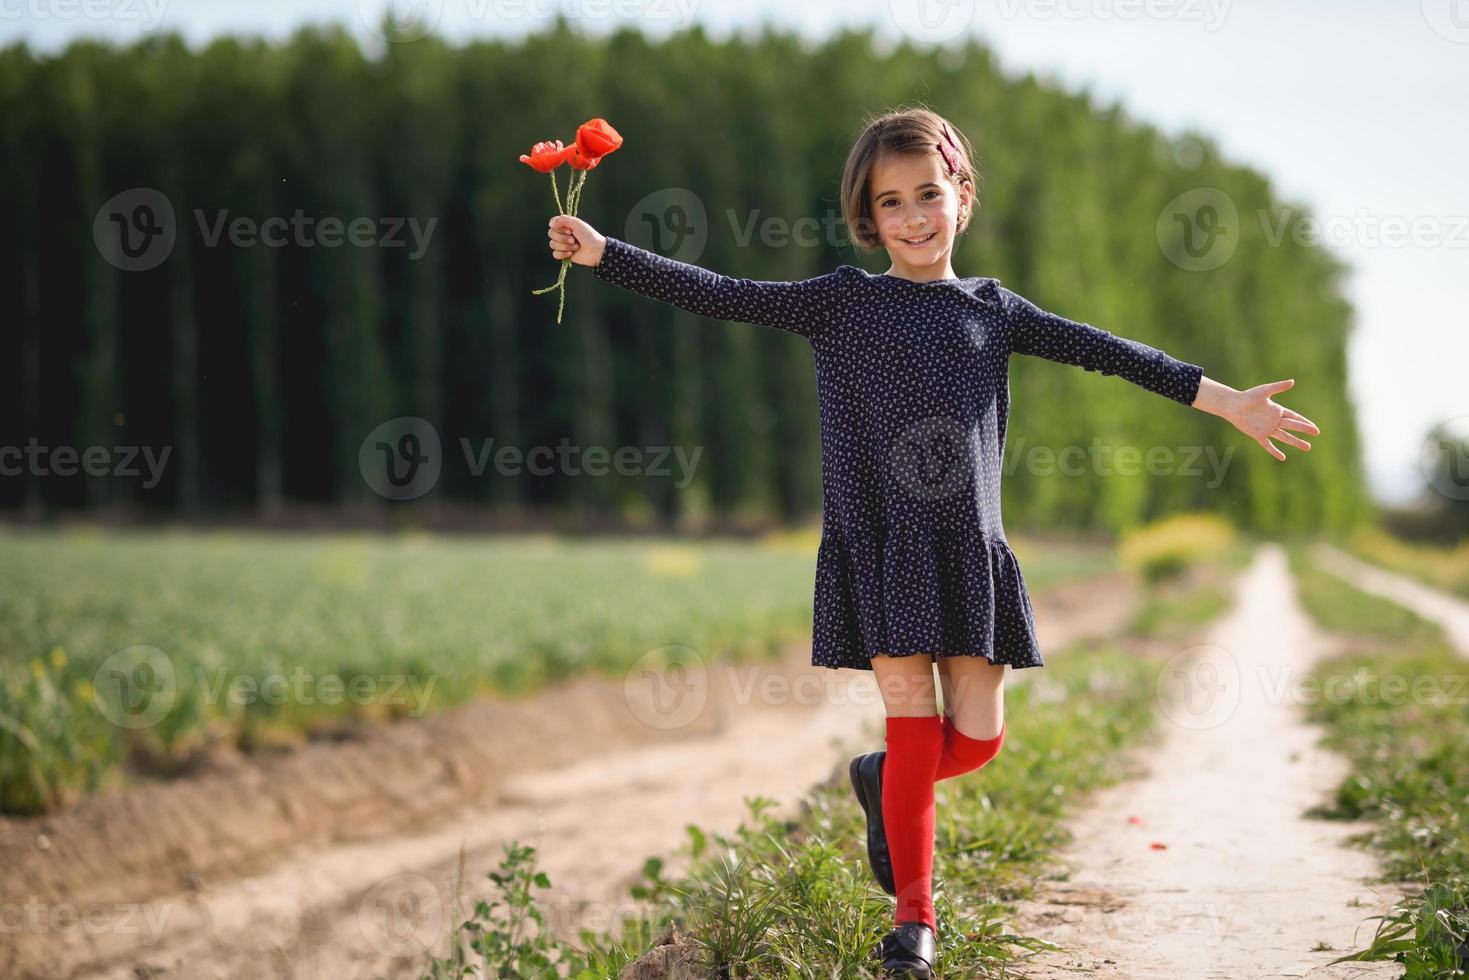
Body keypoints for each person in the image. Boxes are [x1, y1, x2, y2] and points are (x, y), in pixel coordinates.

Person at [544, 105, 1318, 979]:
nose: (911, 217)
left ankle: (880, 782)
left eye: (927, 195)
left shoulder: (995, 310)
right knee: (915, 727)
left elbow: (1115, 355)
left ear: (961, 198)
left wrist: (1226, 403)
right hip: (881, 546)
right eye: (890, 203)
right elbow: (724, 294)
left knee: (978, 741)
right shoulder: (840, 303)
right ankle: (915, 921)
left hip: (967, 545)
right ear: (866, 219)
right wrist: (607, 252)